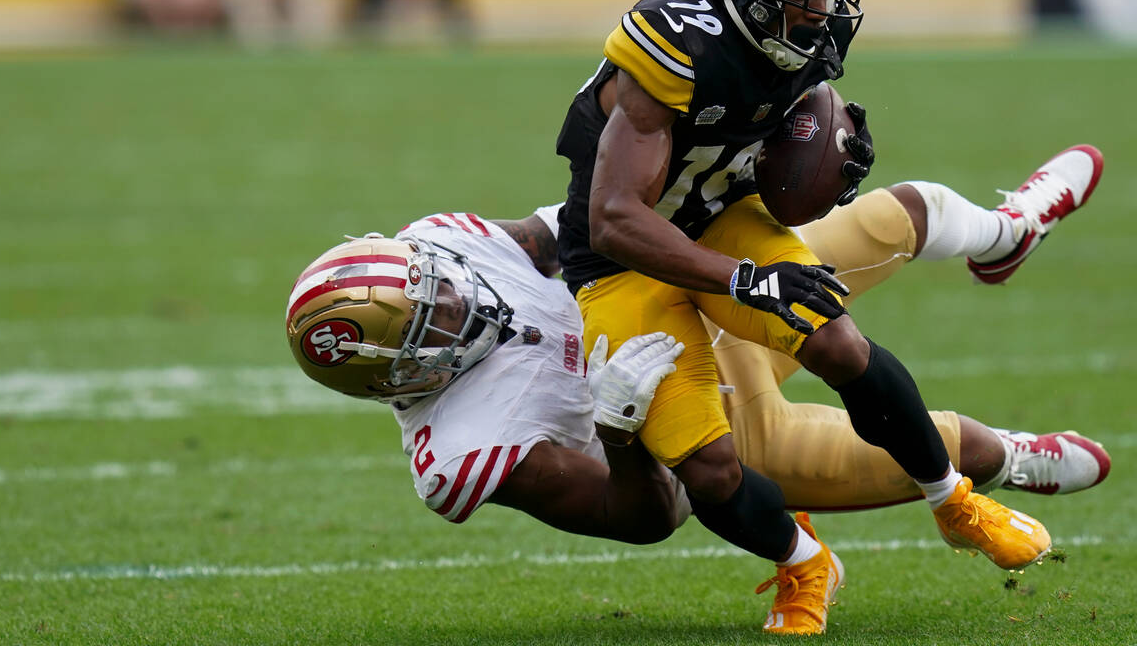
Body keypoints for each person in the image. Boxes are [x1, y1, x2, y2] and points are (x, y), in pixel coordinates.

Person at [552, 0, 1103, 634]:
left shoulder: (800, 37)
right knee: (708, 467)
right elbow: (614, 217)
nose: (821, 1)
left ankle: (954, 499)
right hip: (621, 263)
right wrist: (746, 281)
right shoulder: (675, 42)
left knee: (837, 341)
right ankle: (803, 564)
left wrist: (817, 164)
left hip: (718, 216)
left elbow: (768, 136)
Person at [285, 153, 1108, 636]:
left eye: (439, 289)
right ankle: (1006, 462)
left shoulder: (446, 242)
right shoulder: (463, 455)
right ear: (398, 377)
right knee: (953, 449)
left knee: (899, 216)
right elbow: (650, 518)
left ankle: (1008, 233)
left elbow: (572, 226)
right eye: (434, 322)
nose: (461, 304)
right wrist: (617, 432)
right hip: (703, 425)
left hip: (688, 301)